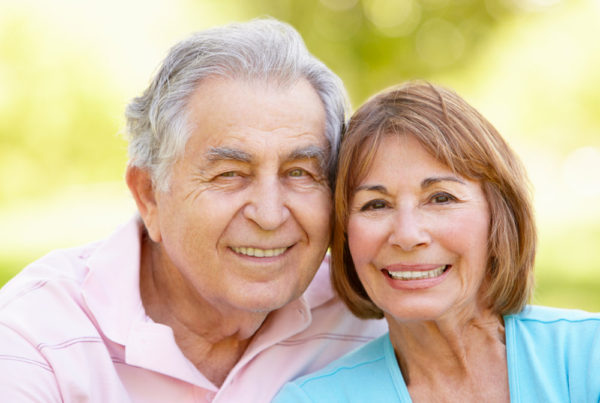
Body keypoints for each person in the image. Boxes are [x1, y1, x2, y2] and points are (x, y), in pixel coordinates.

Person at [0, 19, 386, 402]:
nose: (269, 216)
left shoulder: (371, 317)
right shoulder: (36, 335)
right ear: (149, 194)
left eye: (299, 172)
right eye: (230, 174)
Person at [273, 81, 600, 402]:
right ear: (344, 235)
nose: (407, 235)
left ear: (498, 214)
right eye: (376, 204)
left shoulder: (588, 356)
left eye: (440, 198)